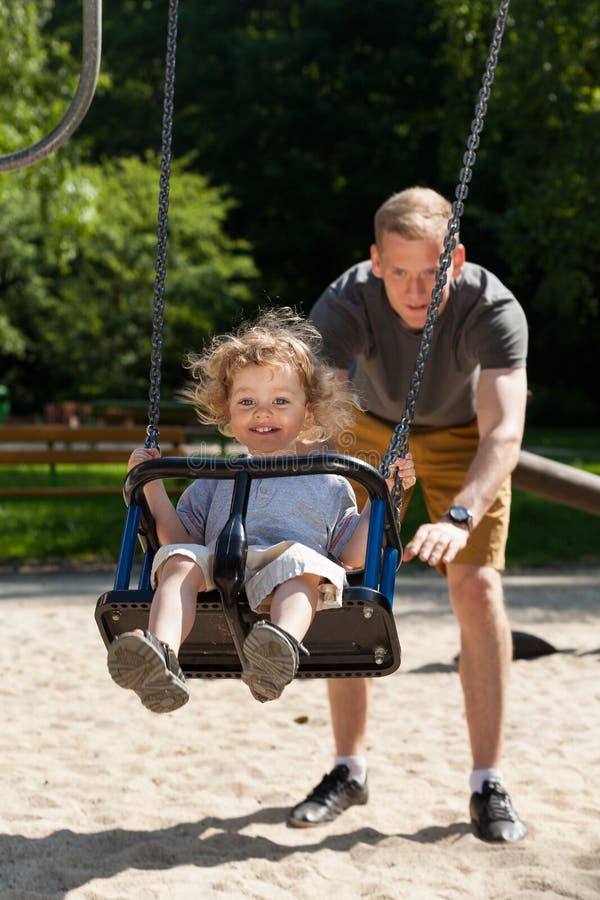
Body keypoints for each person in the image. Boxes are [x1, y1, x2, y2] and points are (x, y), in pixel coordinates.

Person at [287, 186, 529, 844]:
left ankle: (488, 781)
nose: (416, 289)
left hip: (461, 433)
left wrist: (457, 515)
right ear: (375, 262)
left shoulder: (492, 307)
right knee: (342, 575)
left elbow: (503, 433)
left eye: (431, 272)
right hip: (368, 424)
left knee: (476, 587)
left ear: (457, 261)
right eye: (399, 273)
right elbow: (314, 413)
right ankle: (348, 768)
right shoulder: (343, 303)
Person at [106, 309, 415, 711]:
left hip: (288, 575)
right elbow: (177, 541)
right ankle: (159, 656)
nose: (262, 412)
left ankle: (277, 650)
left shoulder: (329, 481)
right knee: (178, 561)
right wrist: (153, 487)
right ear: (228, 414)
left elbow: (354, 556)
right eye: (247, 401)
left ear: (308, 413)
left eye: (280, 401)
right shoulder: (212, 477)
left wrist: (386, 495)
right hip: (219, 574)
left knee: (306, 565)